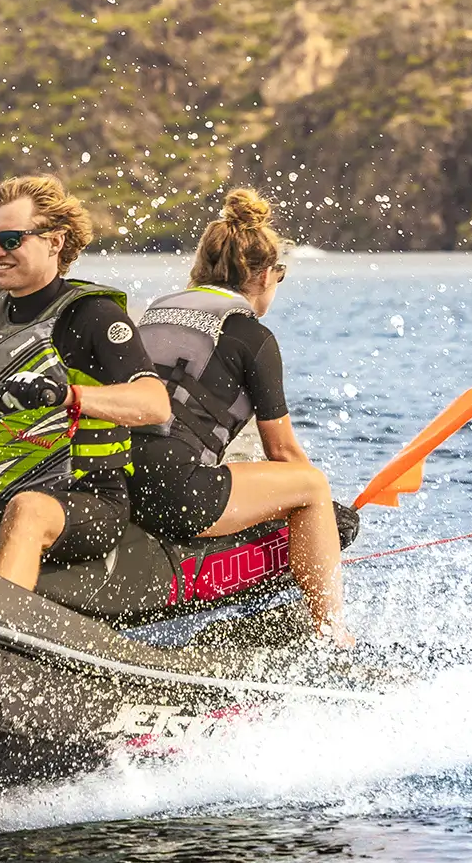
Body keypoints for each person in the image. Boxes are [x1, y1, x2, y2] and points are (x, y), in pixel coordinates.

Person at [125, 188, 352, 646]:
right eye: (279, 275)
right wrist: (325, 523)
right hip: (175, 494)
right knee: (313, 489)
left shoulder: (153, 313)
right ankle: (333, 635)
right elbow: (282, 452)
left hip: (119, 482)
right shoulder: (252, 335)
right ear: (266, 275)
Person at [0, 174, 171, 589]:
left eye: (12, 239)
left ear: (55, 241)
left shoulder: (93, 316)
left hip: (86, 495)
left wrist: (69, 396)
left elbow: (155, 403)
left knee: (27, 510)